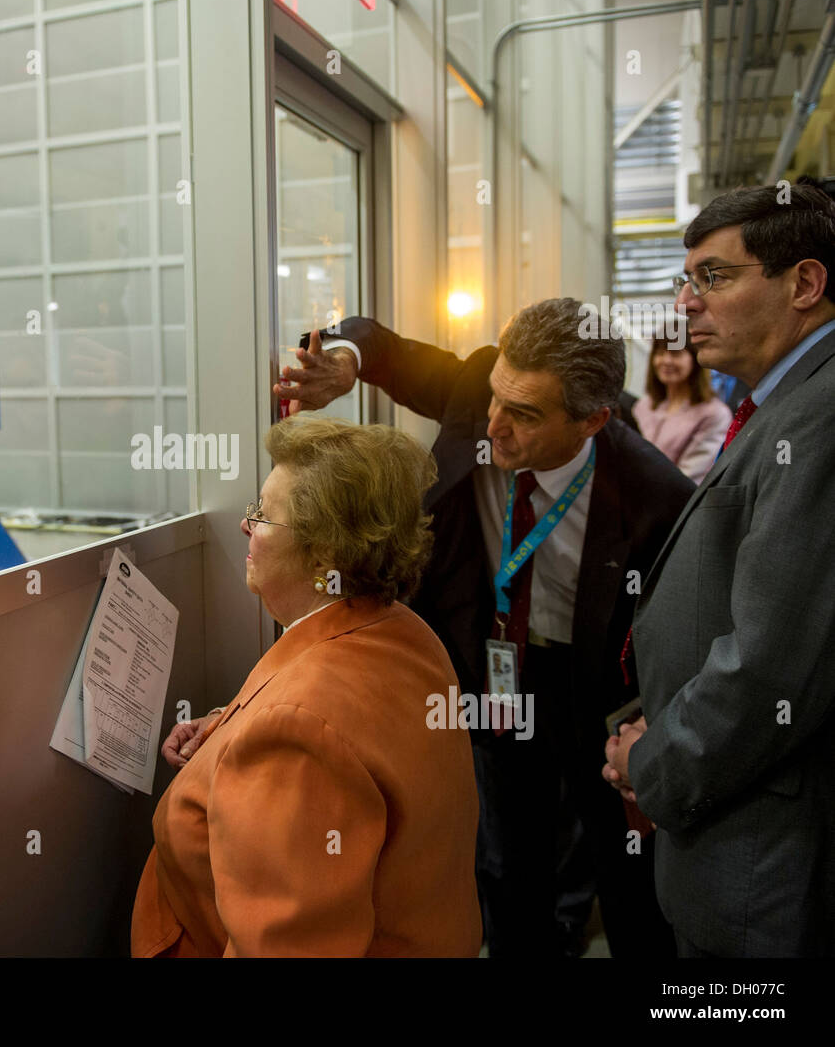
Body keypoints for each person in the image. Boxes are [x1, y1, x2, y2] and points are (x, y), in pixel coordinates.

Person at [277, 299, 695, 958]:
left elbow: (677, 637)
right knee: (506, 861)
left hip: (597, 692)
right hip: (494, 664)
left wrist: (648, 729)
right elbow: (381, 344)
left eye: (524, 415)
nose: (492, 426)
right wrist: (343, 361)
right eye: (496, 399)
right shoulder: (480, 387)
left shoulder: (655, 498)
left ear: (592, 419)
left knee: (624, 869)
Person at [133, 416, 481, 957]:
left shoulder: (296, 733)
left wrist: (266, 739)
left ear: (325, 556)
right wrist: (232, 726)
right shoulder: (405, 634)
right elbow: (353, 727)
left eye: (264, 516)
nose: (247, 526)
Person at [603, 180, 835, 957]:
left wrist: (654, 763)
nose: (687, 302)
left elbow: (771, 668)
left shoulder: (820, 416)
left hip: (765, 861)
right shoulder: (782, 403)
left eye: (714, 276)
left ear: (804, 284)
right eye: (685, 280)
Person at [632, 337, 732, 484]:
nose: (666, 361)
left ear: (695, 358)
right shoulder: (643, 406)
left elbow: (688, 478)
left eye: (675, 354)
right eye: (660, 353)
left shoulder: (714, 414)